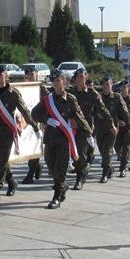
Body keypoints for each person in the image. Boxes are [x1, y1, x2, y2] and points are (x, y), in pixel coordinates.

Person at [32, 69, 92, 209]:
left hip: (64, 140)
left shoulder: (70, 99)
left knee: (60, 169)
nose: (56, 84)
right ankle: (63, 187)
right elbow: (34, 113)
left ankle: (56, 196)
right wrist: (46, 119)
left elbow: (79, 117)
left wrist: (88, 133)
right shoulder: (47, 100)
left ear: (64, 81)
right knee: (52, 168)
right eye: (54, 81)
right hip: (50, 139)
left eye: (58, 80)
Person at [0, 65, 39, 203]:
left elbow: (24, 110)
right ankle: (11, 181)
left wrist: (34, 125)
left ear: (6, 76)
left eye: (1, 75)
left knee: (1, 161)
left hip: (8, 131)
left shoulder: (13, 93)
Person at [69, 68, 113, 190]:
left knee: (80, 154)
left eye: (82, 77)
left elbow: (103, 110)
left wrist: (111, 124)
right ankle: (83, 170)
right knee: (73, 154)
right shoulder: (70, 93)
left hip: (85, 129)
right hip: (71, 128)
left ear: (86, 77)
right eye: (77, 77)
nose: (79, 79)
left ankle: (79, 178)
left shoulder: (92, 94)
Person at [21, 68, 48, 184]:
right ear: (27, 76)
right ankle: (37, 167)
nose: (35, 77)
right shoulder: (23, 88)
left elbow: (49, 103)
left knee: (35, 147)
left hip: (38, 122)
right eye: (32, 75)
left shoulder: (42, 89)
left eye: (36, 75)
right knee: (28, 148)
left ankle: (30, 174)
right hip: (26, 123)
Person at [97, 75, 125, 183]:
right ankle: (109, 168)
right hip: (100, 129)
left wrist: (128, 125)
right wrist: (97, 114)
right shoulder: (98, 97)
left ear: (111, 85)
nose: (105, 87)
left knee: (107, 151)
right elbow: (92, 110)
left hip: (111, 129)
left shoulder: (117, 97)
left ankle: (104, 174)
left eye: (107, 84)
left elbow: (123, 112)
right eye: (104, 85)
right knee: (102, 151)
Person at [116, 81, 130, 177]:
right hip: (117, 129)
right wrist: (117, 121)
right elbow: (112, 113)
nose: (124, 89)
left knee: (126, 149)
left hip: (128, 129)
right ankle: (121, 160)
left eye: (125, 87)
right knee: (118, 148)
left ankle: (123, 169)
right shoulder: (117, 99)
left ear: (128, 88)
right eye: (122, 87)